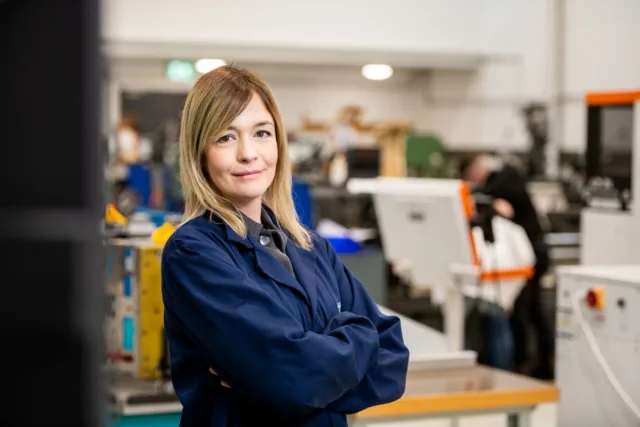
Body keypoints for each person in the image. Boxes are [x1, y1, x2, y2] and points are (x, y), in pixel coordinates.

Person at [161, 66, 410, 427]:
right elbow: (290, 376)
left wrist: (303, 380)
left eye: (261, 133)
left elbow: (392, 357)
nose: (248, 153)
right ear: (199, 151)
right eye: (225, 138)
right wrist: (356, 339)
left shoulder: (311, 248)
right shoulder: (194, 254)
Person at [459, 154, 554, 379]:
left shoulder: (501, 185)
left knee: (523, 313)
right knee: (532, 312)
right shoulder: (507, 180)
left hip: (527, 258)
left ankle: (524, 365)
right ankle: (540, 362)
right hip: (528, 255)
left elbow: (499, 210)